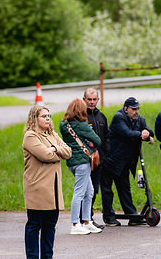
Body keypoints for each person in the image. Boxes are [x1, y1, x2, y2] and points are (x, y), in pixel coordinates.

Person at [22, 105, 72, 258]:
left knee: (50, 226)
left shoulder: (52, 134)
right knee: (34, 225)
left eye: (49, 116)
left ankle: (47, 256)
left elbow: (68, 152)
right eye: (44, 116)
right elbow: (45, 155)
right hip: (38, 188)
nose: (48, 119)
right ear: (34, 118)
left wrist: (54, 148)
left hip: (53, 189)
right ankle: (32, 257)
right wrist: (56, 151)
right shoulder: (30, 136)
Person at [102, 97, 155, 226]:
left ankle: (132, 216)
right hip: (111, 160)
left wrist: (146, 132)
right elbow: (126, 133)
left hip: (125, 162)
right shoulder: (118, 117)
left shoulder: (139, 119)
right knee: (107, 190)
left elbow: (149, 131)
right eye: (134, 109)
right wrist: (142, 135)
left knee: (124, 187)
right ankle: (109, 217)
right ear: (126, 109)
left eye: (138, 108)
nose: (136, 111)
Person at [59, 99, 102, 235]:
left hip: (71, 162)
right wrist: (90, 145)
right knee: (79, 193)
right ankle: (75, 224)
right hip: (83, 162)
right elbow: (98, 140)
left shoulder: (63, 125)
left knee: (89, 191)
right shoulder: (82, 125)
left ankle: (87, 221)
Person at [81, 88, 110, 229]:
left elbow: (107, 137)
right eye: (89, 99)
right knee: (85, 191)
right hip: (85, 161)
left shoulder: (101, 116)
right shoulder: (80, 117)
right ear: (84, 99)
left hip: (100, 161)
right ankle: (83, 220)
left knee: (94, 190)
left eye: (94, 99)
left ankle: (89, 219)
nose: (92, 102)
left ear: (98, 100)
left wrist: (106, 154)